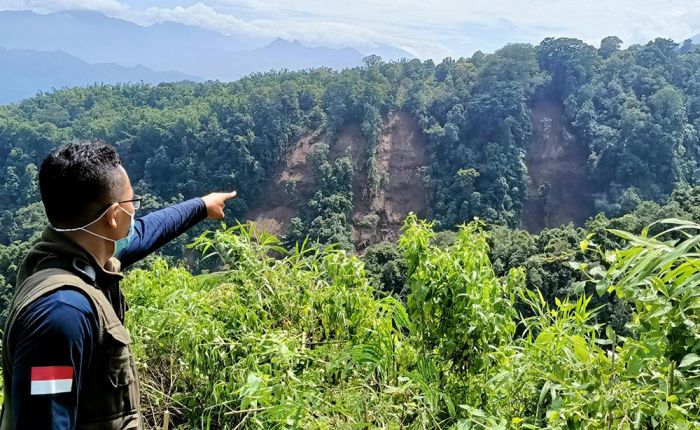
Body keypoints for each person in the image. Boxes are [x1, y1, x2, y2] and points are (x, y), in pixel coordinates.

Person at [0, 141, 237, 429]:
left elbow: (146, 232)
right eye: (132, 203)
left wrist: (201, 206)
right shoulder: (60, 315)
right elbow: (45, 421)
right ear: (112, 216)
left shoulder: (80, 253)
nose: (135, 212)